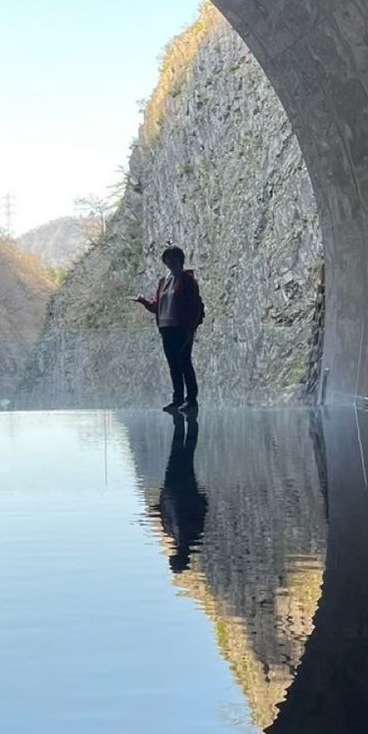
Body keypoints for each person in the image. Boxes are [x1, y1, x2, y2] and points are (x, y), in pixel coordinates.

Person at [134, 244, 203, 412]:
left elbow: (194, 307)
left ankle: (191, 399)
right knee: (173, 365)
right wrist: (143, 301)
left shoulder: (187, 280)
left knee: (185, 363)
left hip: (181, 328)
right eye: (167, 259)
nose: (170, 262)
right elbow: (157, 306)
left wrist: (190, 329)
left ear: (180, 260)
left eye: (173, 259)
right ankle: (177, 399)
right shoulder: (164, 282)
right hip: (166, 328)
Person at [154, 411, 208, 573]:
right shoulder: (187, 535)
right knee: (182, 454)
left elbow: (167, 512)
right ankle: (187, 420)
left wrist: (160, 502)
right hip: (180, 490)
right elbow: (199, 510)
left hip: (177, 490)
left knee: (183, 454)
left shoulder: (183, 536)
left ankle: (184, 421)